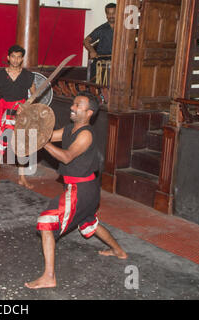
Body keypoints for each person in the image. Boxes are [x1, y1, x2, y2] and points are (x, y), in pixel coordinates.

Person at [25, 91, 127, 290]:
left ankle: (49, 276)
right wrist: (28, 117)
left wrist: (43, 142)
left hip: (81, 190)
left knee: (46, 221)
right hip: (87, 189)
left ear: (89, 112)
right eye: (73, 104)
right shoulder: (70, 128)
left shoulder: (86, 135)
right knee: (88, 223)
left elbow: (66, 157)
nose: (72, 107)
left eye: (78, 105)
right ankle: (118, 251)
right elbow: (45, 134)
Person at [0, 44, 36, 190]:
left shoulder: (27, 75)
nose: (16, 59)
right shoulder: (0, 74)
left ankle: (22, 178)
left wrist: (25, 106)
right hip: (4, 113)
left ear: (22, 59)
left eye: (19, 57)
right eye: (13, 56)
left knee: (21, 145)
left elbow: (34, 95)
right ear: (8, 58)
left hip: (21, 114)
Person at [83, 3, 116, 81]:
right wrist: (92, 51)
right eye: (109, 13)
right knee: (94, 68)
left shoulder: (123, 28)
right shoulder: (102, 29)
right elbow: (86, 41)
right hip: (101, 59)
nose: (111, 16)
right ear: (106, 15)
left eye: (113, 13)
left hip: (117, 60)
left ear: (118, 14)